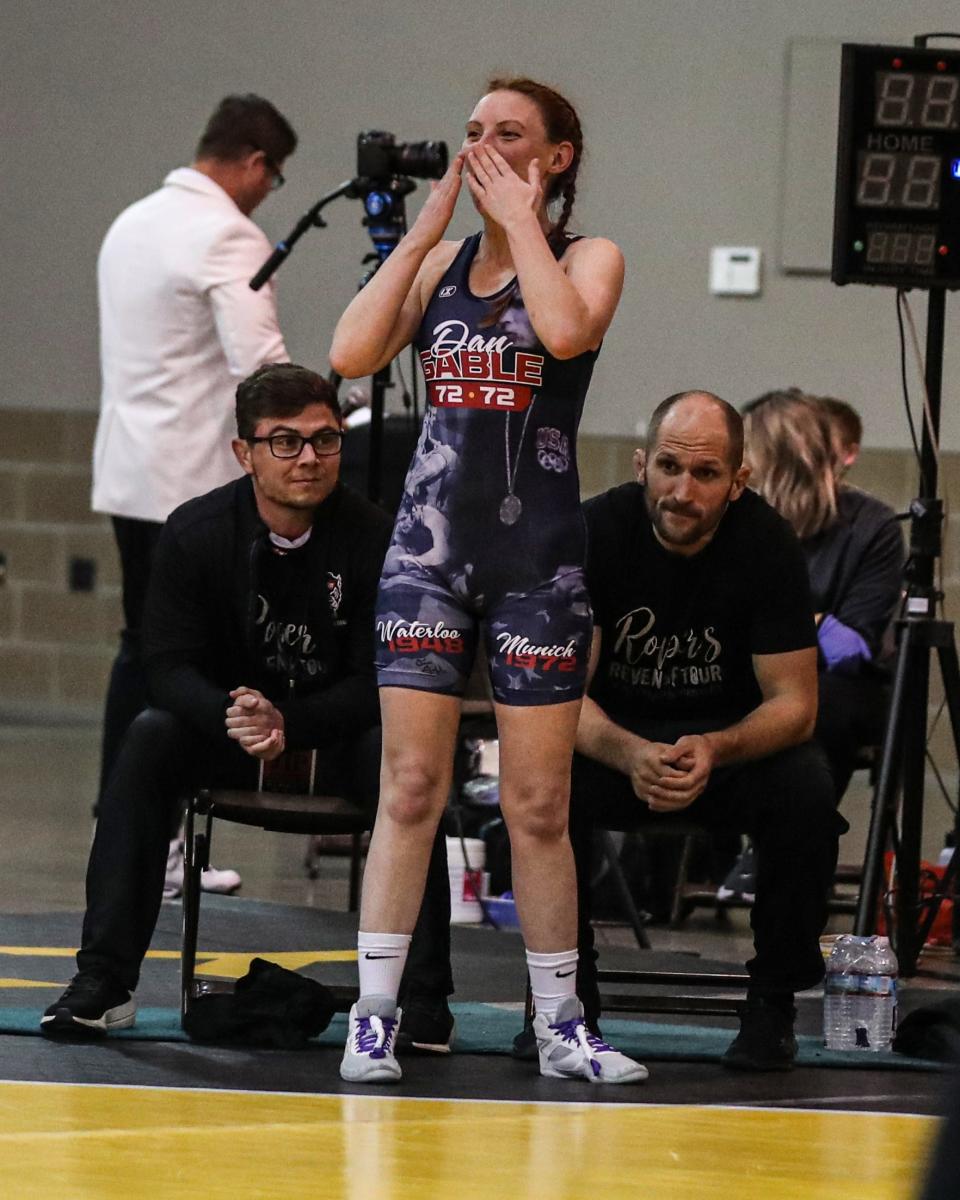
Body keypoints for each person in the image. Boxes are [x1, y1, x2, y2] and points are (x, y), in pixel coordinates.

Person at [329, 76, 646, 1085]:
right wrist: (419, 242)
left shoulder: (591, 257)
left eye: (510, 135)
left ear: (555, 157)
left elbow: (562, 334)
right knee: (410, 785)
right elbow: (348, 353)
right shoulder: (443, 266)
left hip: (538, 564)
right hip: (428, 556)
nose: (484, 149)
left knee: (538, 803)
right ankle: (373, 1014)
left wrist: (522, 224)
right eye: (473, 133)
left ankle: (560, 1022)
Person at [42, 365, 453, 1038]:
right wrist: (231, 714)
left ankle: (423, 997)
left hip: (337, 738)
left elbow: (384, 677)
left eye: (325, 440)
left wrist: (292, 721)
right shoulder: (195, 532)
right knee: (149, 735)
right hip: (230, 736)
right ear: (245, 452)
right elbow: (165, 664)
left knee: (409, 761)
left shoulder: (382, 539)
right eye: (285, 442)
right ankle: (104, 980)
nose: (309, 459)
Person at [570, 390, 847, 1071]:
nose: (681, 491)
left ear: (738, 480)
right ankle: (565, 1003)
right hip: (614, 744)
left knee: (807, 791)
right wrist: (629, 751)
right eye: (668, 467)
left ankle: (771, 1006)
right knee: (536, 778)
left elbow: (795, 705)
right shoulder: (596, 532)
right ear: (641, 464)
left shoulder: (767, 542)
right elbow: (556, 697)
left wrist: (716, 750)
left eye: (705, 475)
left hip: (727, 749)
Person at [90, 95, 297, 886]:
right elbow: (263, 367)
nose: (265, 193)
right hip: (189, 484)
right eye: (271, 179)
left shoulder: (133, 221)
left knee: (139, 648)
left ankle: (127, 830)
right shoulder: (227, 234)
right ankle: (155, 841)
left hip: (130, 471)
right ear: (252, 163)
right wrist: (322, 417)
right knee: (181, 657)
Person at [744, 391, 904, 800]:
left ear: (779, 462)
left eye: (748, 452)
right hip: (749, 671)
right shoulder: (738, 517)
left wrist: (776, 622)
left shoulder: (873, 525)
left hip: (834, 686)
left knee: (820, 704)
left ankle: (794, 846)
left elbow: (849, 649)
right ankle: (677, 857)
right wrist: (811, 621)